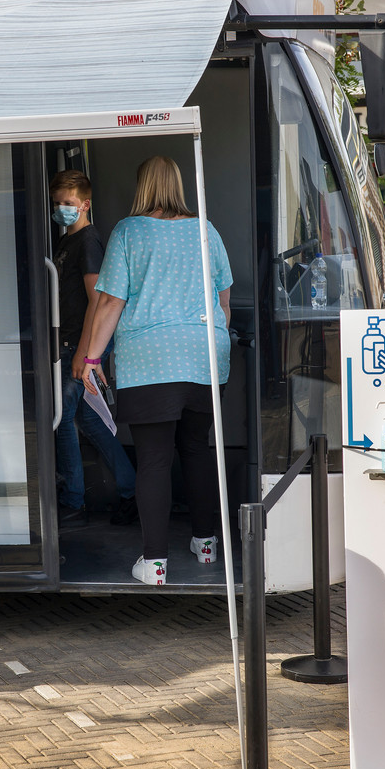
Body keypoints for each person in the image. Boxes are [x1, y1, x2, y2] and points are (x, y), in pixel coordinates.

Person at [81, 156, 232, 586]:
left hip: (150, 358)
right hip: (204, 353)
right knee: (197, 449)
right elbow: (223, 301)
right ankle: (206, 545)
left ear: (142, 184)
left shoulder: (129, 231)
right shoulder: (206, 230)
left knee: (153, 460)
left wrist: (91, 358)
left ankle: (155, 563)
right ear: (177, 184)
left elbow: (110, 302)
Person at [49, 170, 138, 526]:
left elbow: (96, 302)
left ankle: (73, 499)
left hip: (76, 344)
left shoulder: (87, 243)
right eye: (56, 203)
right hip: (70, 341)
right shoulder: (67, 241)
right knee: (86, 418)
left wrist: (84, 355)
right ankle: (132, 490)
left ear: (84, 205)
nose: (60, 209)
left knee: (62, 418)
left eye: (67, 204)